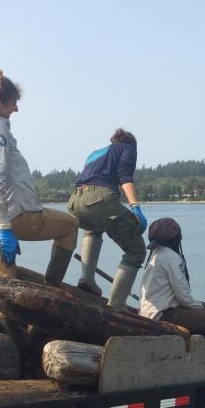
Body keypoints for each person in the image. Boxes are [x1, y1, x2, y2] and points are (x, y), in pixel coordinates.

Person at [0, 68, 78, 303]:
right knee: (71, 225)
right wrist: (5, 228)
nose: (16, 108)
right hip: (13, 218)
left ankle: (0, 337)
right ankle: (52, 291)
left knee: (4, 293)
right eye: (13, 101)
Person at [68, 129, 147, 309]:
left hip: (74, 202)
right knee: (136, 251)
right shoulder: (128, 148)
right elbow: (125, 177)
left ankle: (86, 279)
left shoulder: (95, 153)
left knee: (94, 226)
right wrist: (136, 207)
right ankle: (117, 304)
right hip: (99, 199)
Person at [139, 217, 205, 339]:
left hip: (148, 313)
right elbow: (184, 298)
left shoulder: (156, 254)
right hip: (163, 316)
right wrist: (201, 307)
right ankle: (189, 339)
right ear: (176, 238)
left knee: (203, 311)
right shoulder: (171, 257)